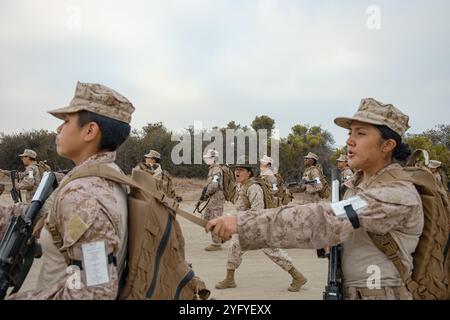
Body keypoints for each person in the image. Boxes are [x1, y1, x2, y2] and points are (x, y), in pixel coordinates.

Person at [207, 98, 423, 300]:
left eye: (361, 134)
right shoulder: (358, 186)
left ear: (388, 145)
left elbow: (326, 218)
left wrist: (242, 223)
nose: (349, 141)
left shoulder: (395, 193)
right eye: (350, 133)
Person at [0, 81, 134, 299]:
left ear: (90, 130)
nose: (58, 128)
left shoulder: (83, 194)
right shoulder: (104, 175)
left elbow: (94, 292)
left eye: (66, 121)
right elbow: (48, 214)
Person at [215, 157, 307, 292]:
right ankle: (230, 279)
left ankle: (297, 276)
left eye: (241, 170)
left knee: (273, 251)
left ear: (249, 172)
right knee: (234, 247)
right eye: (236, 169)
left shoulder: (254, 187)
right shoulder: (242, 185)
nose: (237, 172)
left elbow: (257, 211)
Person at [201, 149, 226, 251]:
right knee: (207, 217)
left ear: (214, 159)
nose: (206, 160)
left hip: (217, 197)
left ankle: (216, 244)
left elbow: (214, 185)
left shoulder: (216, 170)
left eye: (209, 158)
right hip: (213, 197)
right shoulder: (212, 169)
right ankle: (221, 236)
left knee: (214, 219)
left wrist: (206, 193)